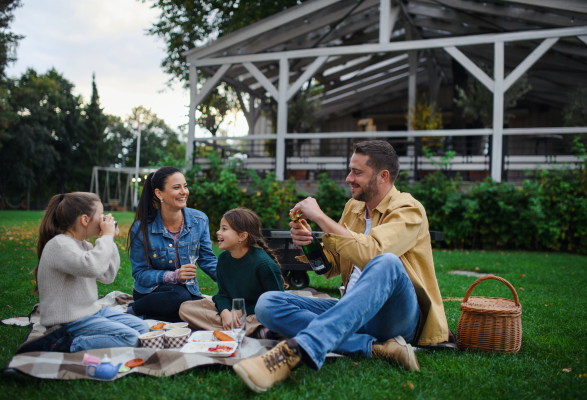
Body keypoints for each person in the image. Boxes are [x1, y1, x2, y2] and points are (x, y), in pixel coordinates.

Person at [233, 140, 450, 392]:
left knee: (387, 262)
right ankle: (377, 348)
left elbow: (373, 254)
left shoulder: (409, 210)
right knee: (268, 303)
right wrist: (309, 244)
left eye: (357, 172)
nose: (349, 178)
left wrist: (321, 218)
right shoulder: (353, 207)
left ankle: (297, 350)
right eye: (350, 170)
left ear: (383, 176)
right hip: (351, 308)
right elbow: (330, 268)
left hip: (393, 316)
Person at [17, 193, 149, 354]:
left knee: (142, 327)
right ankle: (61, 343)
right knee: (131, 338)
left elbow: (107, 276)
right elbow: (93, 267)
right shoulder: (60, 245)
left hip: (90, 312)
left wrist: (109, 240)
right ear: (85, 220)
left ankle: (74, 337)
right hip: (68, 321)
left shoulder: (83, 245)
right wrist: (106, 237)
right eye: (101, 215)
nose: (104, 219)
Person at [127, 166, 217, 322]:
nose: (184, 191)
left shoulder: (199, 220)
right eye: (177, 187)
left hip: (186, 291)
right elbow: (140, 274)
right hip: (151, 292)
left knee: (194, 307)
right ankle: (135, 309)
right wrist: (174, 276)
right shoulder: (141, 228)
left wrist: (231, 279)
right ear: (159, 193)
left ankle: (152, 316)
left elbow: (208, 260)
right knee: (180, 298)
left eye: (185, 186)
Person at [179, 207, 285, 336]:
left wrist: (242, 311)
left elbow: (277, 302)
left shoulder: (263, 264)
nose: (218, 232)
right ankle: (250, 331)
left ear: (242, 236)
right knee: (186, 308)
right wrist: (225, 312)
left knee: (270, 316)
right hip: (233, 312)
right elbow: (222, 295)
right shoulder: (223, 259)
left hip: (255, 314)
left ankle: (250, 328)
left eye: (224, 229)